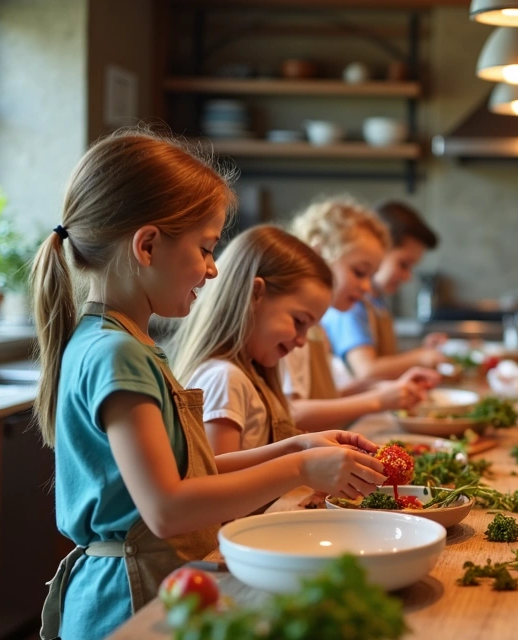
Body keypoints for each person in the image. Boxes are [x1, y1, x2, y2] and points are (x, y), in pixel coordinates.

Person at [31, 130, 386, 639]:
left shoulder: (121, 343)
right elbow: (168, 508)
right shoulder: (117, 354)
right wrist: (302, 467)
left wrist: (297, 446)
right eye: (204, 247)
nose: (213, 268)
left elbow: (187, 475)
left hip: (153, 585)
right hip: (126, 601)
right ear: (148, 245)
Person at [172, 225, 339, 455]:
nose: (302, 341)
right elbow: (221, 484)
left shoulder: (253, 377)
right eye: (299, 321)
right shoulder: (225, 378)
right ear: (255, 294)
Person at [282, 196, 437, 430]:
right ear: (319, 255)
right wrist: (377, 400)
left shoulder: (317, 328)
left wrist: (378, 389)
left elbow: (328, 397)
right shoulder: (290, 328)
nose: (366, 287)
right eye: (359, 272)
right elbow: (288, 413)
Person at [323, 200, 448, 380]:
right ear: (380, 250)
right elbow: (367, 370)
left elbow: (382, 356)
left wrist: (420, 352)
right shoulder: (350, 305)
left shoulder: (377, 302)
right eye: (403, 264)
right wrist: (419, 358)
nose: (408, 276)